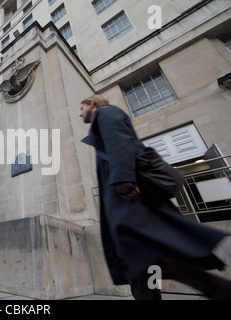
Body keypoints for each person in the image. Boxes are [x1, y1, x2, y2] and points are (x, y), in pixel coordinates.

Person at [80, 94, 231, 300]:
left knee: (151, 259)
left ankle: (221, 290)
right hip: (122, 204)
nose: (80, 113)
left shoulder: (107, 113)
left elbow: (119, 142)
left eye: (82, 108)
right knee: (137, 264)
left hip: (128, 201)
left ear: (91, 104)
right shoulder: (102, 121)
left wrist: (124, 179)